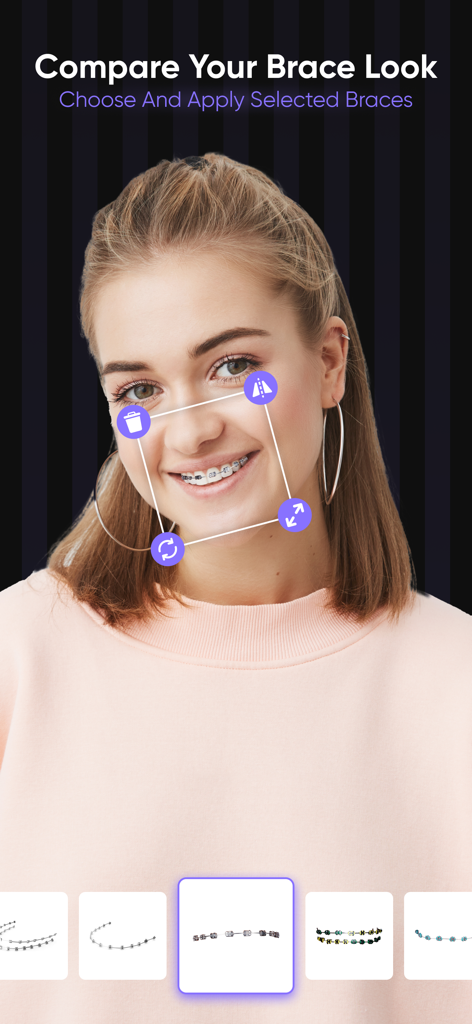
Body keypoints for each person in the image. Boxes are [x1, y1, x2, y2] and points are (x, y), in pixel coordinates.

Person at [0, 154, 470, 1023]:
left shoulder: (457, 682)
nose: (190, 430)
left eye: (229, 366)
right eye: (140, 388)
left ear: (329, 363)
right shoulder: (18, 660)